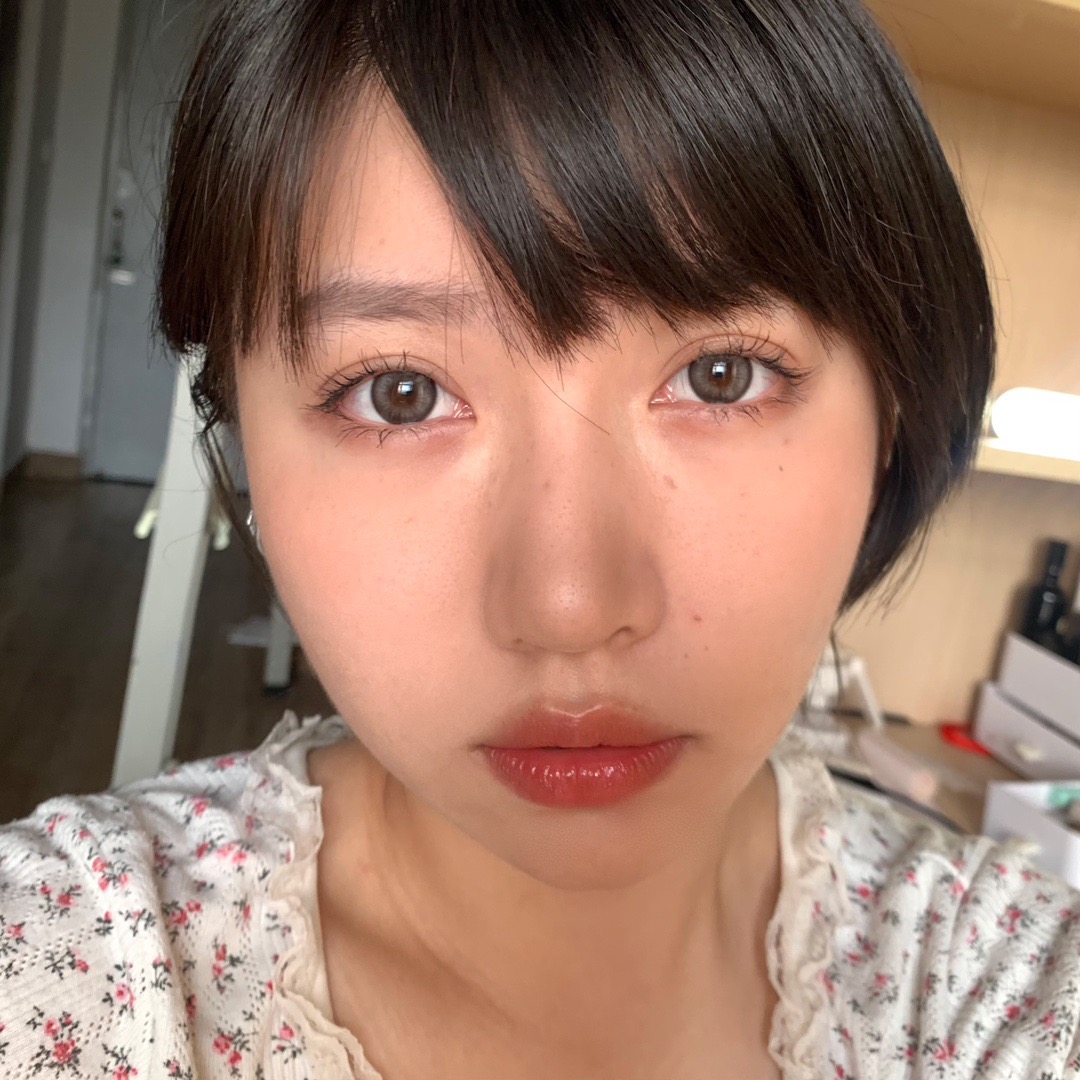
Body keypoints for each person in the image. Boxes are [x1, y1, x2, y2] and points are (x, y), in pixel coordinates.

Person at [2, 0, 1078, 1076]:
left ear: (893, 422)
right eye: (400, 392)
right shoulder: (65, 968)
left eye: (721, 376)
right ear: (242, 442)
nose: (569, 606)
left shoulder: (996, 985)